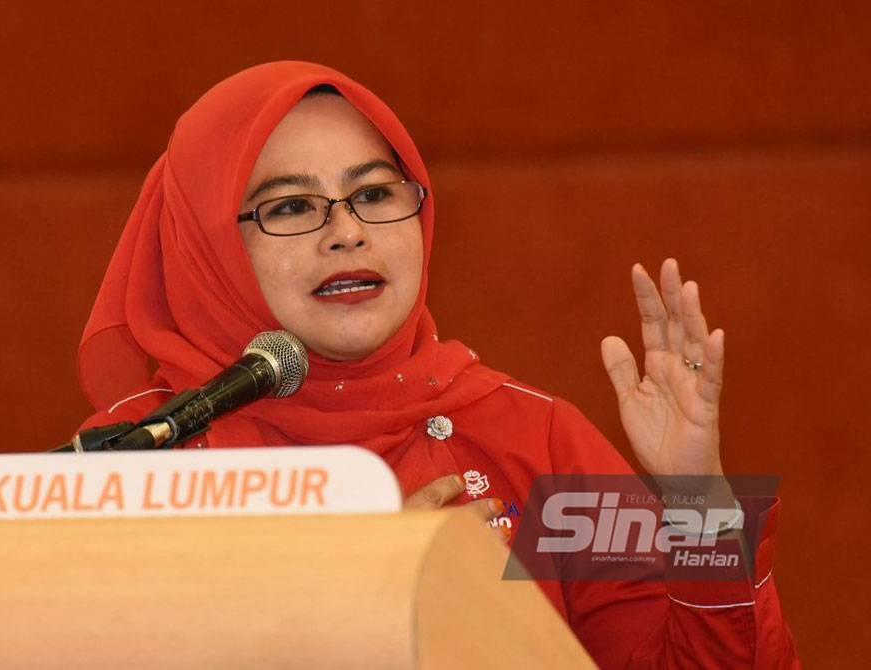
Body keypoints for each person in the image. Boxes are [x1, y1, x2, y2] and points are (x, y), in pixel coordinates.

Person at [77, 61, 799, 667]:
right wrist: (340, 606)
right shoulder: (139, 463)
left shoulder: (533, 438)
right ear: (207, 246)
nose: (349, 233)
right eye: (292, 207)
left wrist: (700, 503)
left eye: (373, 194)